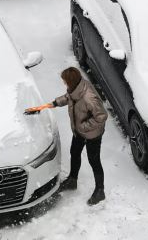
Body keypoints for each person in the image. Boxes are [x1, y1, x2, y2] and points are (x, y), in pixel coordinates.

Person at [26, 67, 108, 205]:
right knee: (74, 153)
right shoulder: (75, 89)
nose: (64, 83)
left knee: (94, 160)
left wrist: (83, 127)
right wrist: (50, 105)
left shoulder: (89, 97)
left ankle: (100, 191)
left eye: (65, 81)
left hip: (93, 133)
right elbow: (68, 98)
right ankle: (72, 180)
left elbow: (101, 116)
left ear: (71, 82)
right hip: (79, 132)